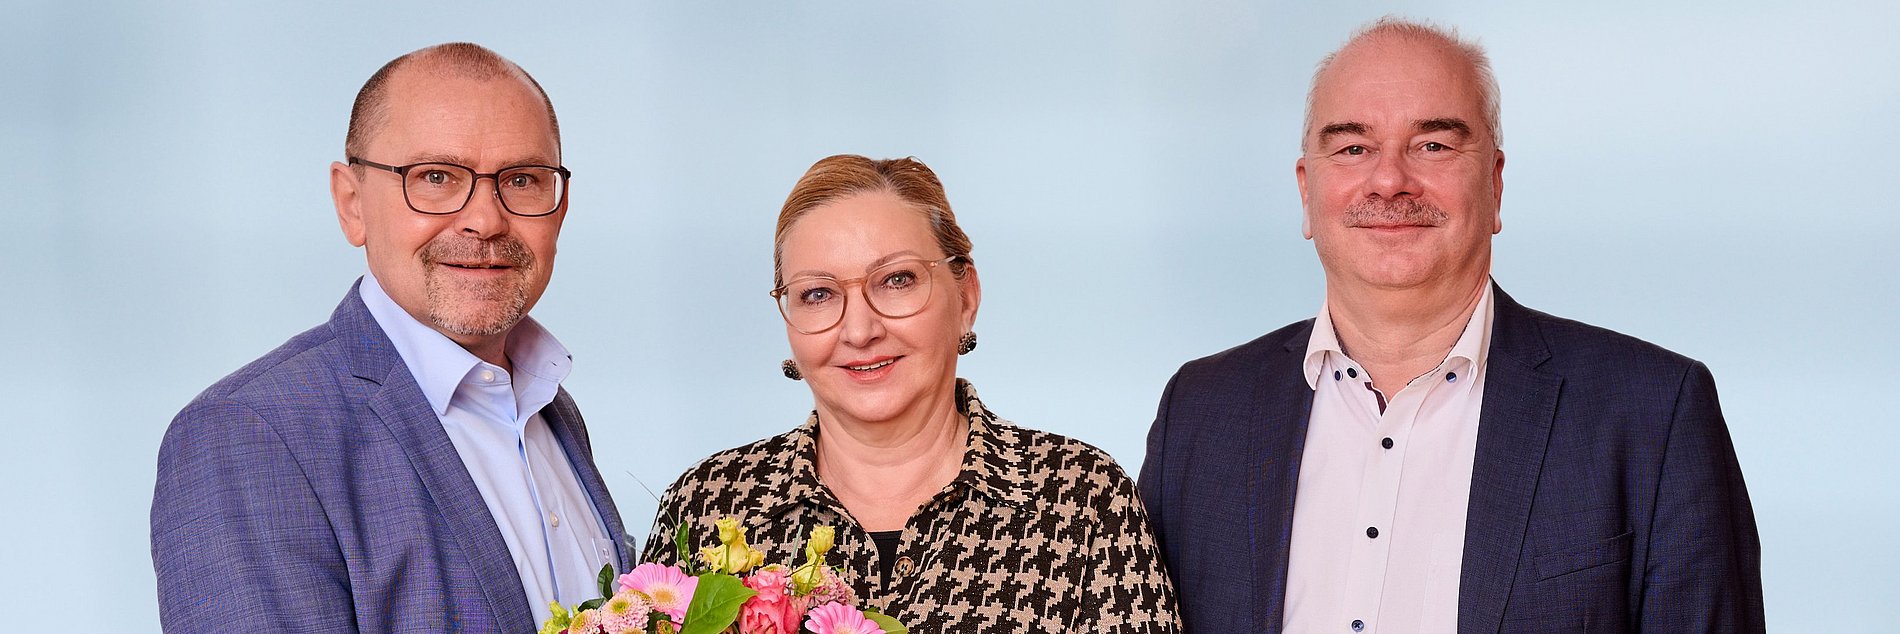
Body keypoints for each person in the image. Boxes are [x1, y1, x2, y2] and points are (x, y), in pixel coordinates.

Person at [1139, 18, 1764, 633]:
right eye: (1353, 148)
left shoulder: (1651, 413)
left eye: (1433, 145)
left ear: (1494, 184)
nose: (1390, 180)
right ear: (1307, 191)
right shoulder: (1200, 415)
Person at [151, 43, 631, 633]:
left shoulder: (549, 409)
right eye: (436, 177)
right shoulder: (252, 435)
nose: (485, 220)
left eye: (523, 179)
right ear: (351, 203)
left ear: (560, 206)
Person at [643, 155, 1182, 631]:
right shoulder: (709, 504)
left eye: (896, 280)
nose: (859, 331)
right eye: (818, 294)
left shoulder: (1080, 500)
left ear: (966, 297)